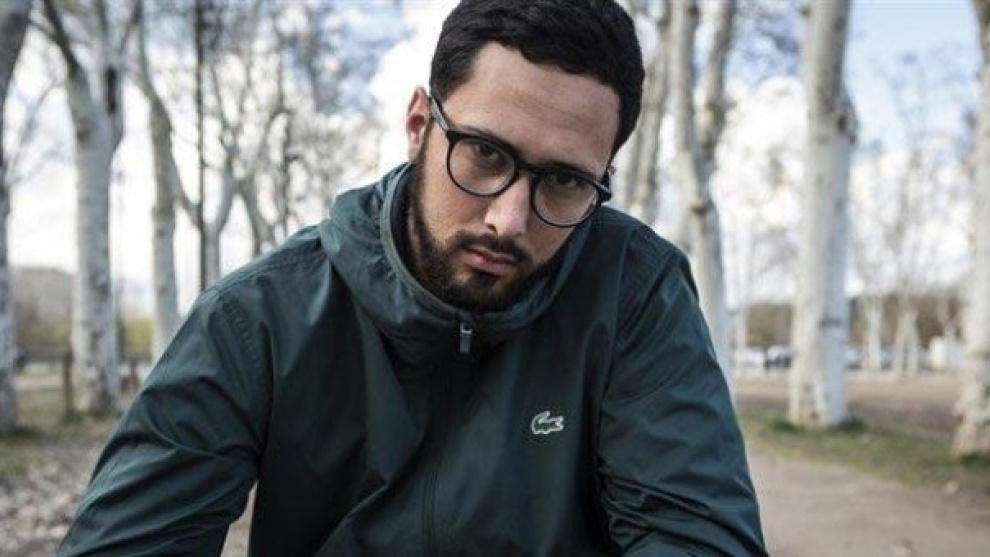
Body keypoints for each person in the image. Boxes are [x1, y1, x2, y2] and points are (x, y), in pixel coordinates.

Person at [59, 0, 766, 554]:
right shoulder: (257, 317)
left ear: (602, 178)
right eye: (485, 153)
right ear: (420, 124)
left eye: (564, 181)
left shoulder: (636, 291)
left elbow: (698, 536)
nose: (509, 220)